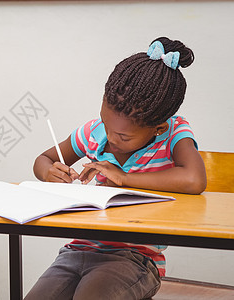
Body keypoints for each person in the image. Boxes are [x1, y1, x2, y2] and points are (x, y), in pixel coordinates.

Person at [25, 37, 207, 300]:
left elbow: (194, 180)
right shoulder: (93, 133)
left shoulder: (173, 133)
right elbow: (43, 158)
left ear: (158, 127)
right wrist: (48, 172)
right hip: (77, 250)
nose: (110, 138)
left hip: (135, 258)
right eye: (106, 124)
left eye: (123, 137)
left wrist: (125, 177)